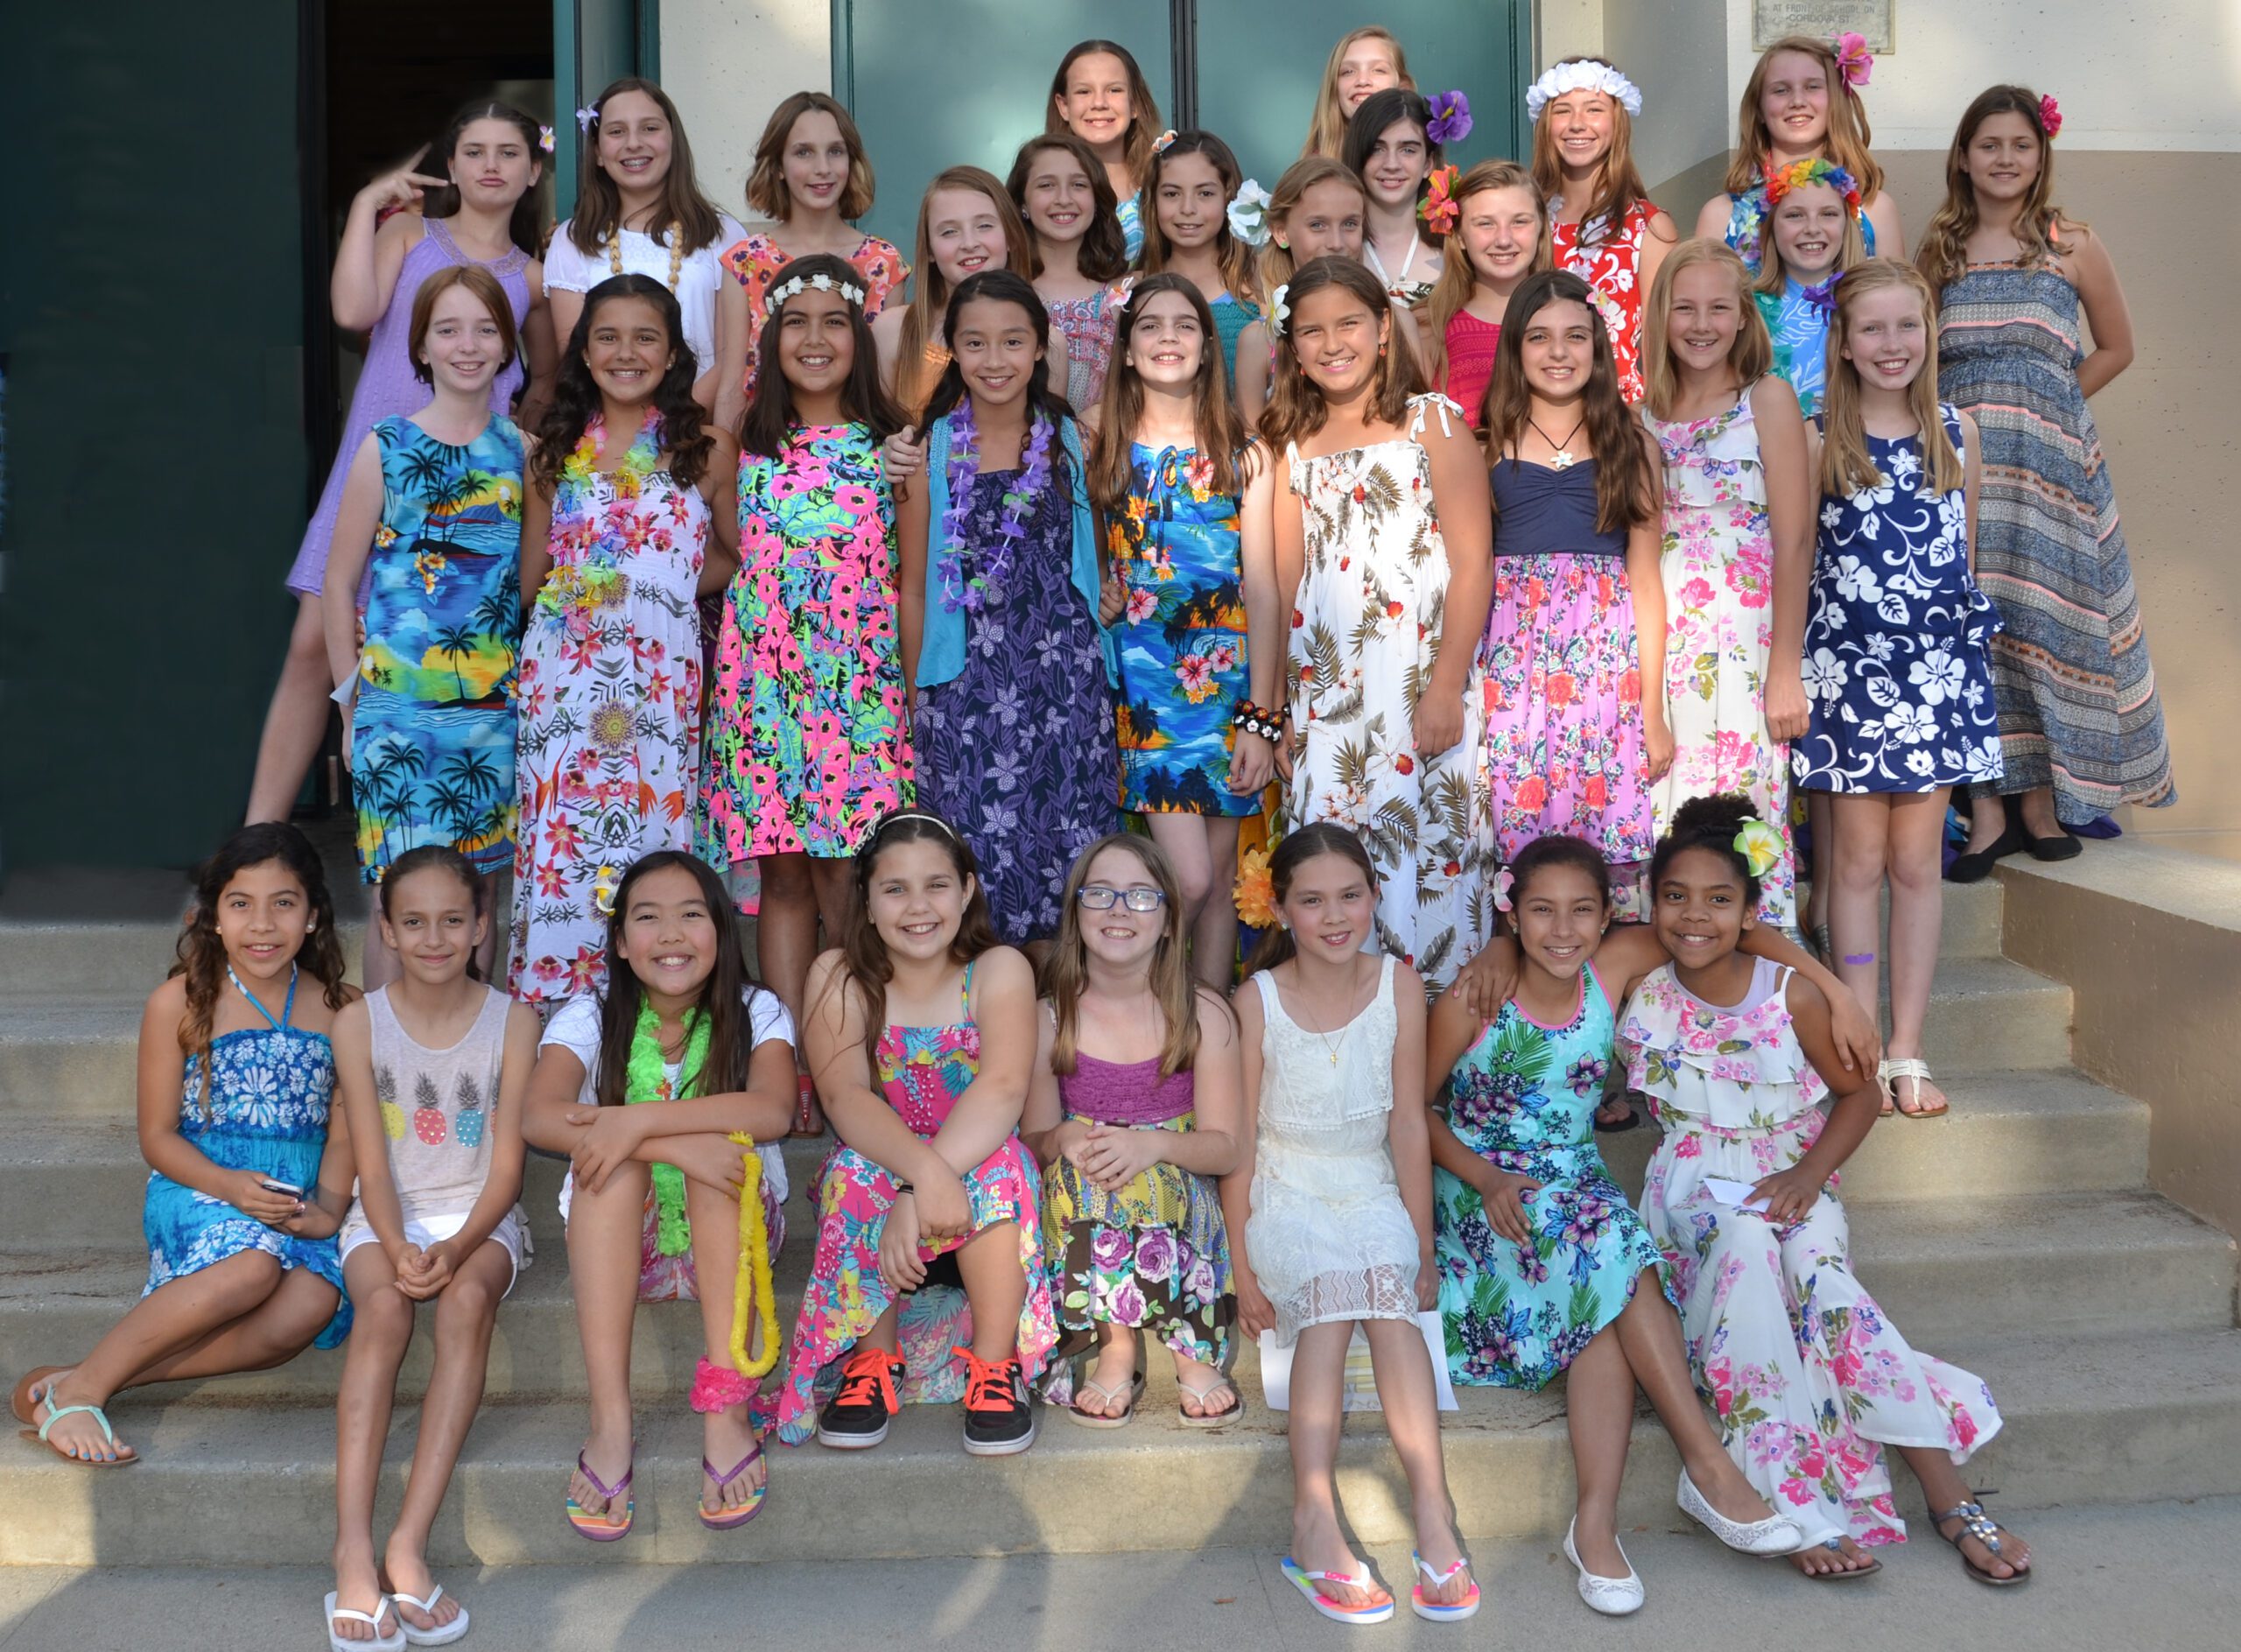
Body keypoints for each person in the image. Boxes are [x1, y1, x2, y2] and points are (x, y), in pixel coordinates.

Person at [1621, 794, 2031, 1585]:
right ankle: (1791, 1495)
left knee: (1819, 1275)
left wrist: (1809, 1173)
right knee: (1746, 1246)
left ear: (1752, 913)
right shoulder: (1644, 978)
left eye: (1719, 899)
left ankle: (1946, 1490)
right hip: (1692, 1187)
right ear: (1651, 900)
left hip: (1793, 1175)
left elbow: (1858, 1095)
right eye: (1674, 896)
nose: (1694, 915)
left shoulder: (1792, 994)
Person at [1427, 834, 1808, 1614]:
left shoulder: (1613, 964)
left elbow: (1729, 929)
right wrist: (1484, 1176)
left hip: (1575, 1179)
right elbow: (1414, 1109)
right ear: (1511, 914)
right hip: (1483, 1189)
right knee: (1615, 1251)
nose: (1562, 929)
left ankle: (1594, 1525)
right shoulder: (1473, 995)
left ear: (1609, 916)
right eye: (1540, 911)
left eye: (1581, 911)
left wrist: (1829, 984)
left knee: (1604, 1285)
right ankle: (1708, 1465)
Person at [12, 826, 355, 1472]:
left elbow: (346, 1129)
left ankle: (85, 1375)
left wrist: (330, 1211)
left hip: (300, 1200)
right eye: (241, 903)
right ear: (213, 917)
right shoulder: (179, 1002)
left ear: (313, 916)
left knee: (313, 1303)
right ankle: (84, 1392)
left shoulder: (344, 1009)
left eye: (284, 903)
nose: (262, 923)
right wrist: (229, 1186)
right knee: (252, 1267)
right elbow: (157, 1136)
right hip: (201, 1185)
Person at [248, 101, 551, 830]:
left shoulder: (536, 277)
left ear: (535, 171)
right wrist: (365, 203)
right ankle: (258, 842)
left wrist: (518, 444)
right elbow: (353, 311)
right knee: (312, 644)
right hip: (378, 471)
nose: (490, 165)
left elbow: (547, 378)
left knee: (435, 643)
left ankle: (437, 834)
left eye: (508, 152)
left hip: (465, 490)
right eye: (473, 151)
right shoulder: (410, 234)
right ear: (451, 166)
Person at [1226, 826, 1478, 1624]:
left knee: (1391, 1302)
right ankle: (1312, 1515)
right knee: (1334, 1302)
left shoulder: (1399, 984)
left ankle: (1432, 1511)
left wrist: (1422, 1242)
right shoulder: (1257, 1001)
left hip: (1369, 1183)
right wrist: (1240, 1266)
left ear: (1374, 897)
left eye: (1350, 896)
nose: (1335, 916)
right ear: (1279, 909)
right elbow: (1238, 1141)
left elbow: (1406, 1120)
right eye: (1312, 900)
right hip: (1287, 1186)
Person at [1922, 85, 2174, 871]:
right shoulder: (1939, 251)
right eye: (1989, 144)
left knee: (2042, 627)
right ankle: (1989, 810)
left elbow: (2117, 347)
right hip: (1963, 476)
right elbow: (1914, 359)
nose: (2005, 159)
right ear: (1964, 157)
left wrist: (2050, 408)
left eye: (2020, 145)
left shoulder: (2073, 244)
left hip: (2051, 474)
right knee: (1977, 629)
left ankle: (2043, 801)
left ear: (2041, 156)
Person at [697, 254, 912, 1138]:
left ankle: (848, 1059)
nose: (815, 339)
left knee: (846, 877)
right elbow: (725, 558)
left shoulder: (891, 447)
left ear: (859, 336)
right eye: (796, 322)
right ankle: (785, 1066)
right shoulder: (741, 447)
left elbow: (909, 574)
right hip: (765, 691)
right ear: (769, 339)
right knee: (783, 875)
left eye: (833, 322)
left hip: (857, 692)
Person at [521, 852, 797, 1538]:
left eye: (691, 914)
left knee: (721, 1157)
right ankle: (610, 1421)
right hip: (624, 1248)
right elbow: (539, 1116)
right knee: (611, 1169)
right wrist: (670, 1144)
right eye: (648, 917)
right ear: (619, 941)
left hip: (732, 1237)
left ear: (722, 931)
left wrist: (638, 1120)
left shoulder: (756, 1008)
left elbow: (772, 1109)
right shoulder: (590, 1013)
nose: (671, 934)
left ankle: (726, 1410)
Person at [1791, 259, 2002, 1120]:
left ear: (1929, 334)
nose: (1891, 344)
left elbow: (1965, 561)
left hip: (1934, 679)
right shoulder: (1817, 440)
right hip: (1848, 680)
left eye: (1906, 326)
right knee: (1854, 864)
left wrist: (1961, 673)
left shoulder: (1958, 433)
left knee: (1917, 865)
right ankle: (1861, 1048)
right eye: (1871, 328)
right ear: (1843, 342)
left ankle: (1908, 1049)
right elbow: (1799, 564)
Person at [778, 811, 1057, 1455]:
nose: (918, 906)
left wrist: (923, 1183)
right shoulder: (838, 975)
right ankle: (873, 1361)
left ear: (967, 890)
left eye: (936, 885)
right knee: (853, 1169)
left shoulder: (999, 968)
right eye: (895, 889)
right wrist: (917, 1175)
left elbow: (1003, 1088)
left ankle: (995, 1367)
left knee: (1003, 1163)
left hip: (976, 1170)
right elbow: (844, 1095)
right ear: (866, 900)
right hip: (887, 1164)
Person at [1263, 257, 1494, 993]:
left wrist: (1446, 686)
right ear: (1292, 346)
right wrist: (1281, 711)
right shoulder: (1291, 443)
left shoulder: (1432, 421)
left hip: (1421, 683)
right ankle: (1345, 1032)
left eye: (1350, 324)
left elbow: (1473, 564)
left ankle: (1434, 1040)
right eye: (1313, 331)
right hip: (1330, 698)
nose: (1333, 343)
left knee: (1432, 858)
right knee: (1336, 861)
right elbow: (1286, 583)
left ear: (1384, 331)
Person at [327, 847, 537, 1647]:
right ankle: (352, 1547)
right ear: (386, 929)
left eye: (453, 920)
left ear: (482, 925)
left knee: (467, 1300)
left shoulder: (514, 1021)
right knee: (383, 1311)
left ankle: (407, 1540)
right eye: (413, 922)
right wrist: (395, 1243)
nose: (435, 938)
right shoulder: (359, 1022)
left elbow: (507, 1170)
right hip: (385, 1214)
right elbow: (371, 1166)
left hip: (480, 1216)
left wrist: (459, 1246)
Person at [510, 277, 741, 1004]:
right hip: (565, 683)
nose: (626, 352)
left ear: (672, 353)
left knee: (651, 833)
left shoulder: (706, 448)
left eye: (646, 337)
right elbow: (531, 578)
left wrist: (661, 587)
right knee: (566, 839)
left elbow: (735, 555)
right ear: (584, 350)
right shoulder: (554, 453)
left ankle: (654, 1013)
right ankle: (558, 1016)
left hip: (656, 682)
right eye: (607, 336)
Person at [900, 271, 1117, 950]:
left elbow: (1094, 558)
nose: (995, 360)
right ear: (953, 351)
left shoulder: (1071, 441)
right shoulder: (928, 451)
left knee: (1066, 863)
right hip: (965, 690)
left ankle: (1060, 1010)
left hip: (1064, 687)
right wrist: (914, 698)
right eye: (976, 343)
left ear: (1041, 347)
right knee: (978, 865)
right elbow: (913, 586)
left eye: (1013, 341)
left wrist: (1109, 594)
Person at [324, 266, 525, 989]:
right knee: (396, 895)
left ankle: (472, 1050)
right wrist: (349, 708)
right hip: (395, 714)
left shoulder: (526, 453)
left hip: (492, 715)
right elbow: (338, 582)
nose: (467, 345)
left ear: (507, 345)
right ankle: (386, 1058)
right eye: (448, 329)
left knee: (479, 896)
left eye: (485, 329)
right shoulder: (384, 447)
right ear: (420, 346)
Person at [1089, 274, 1279, 986]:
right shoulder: (1101, 444)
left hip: (1229, 694)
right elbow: (1087, 557)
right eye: (1150, 325)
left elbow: (1264, 589)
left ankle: (1210, 1024)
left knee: (1220, 878)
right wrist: (1101, 588)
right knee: (1189, 879)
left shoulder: (1245, 452)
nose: (1167, 337)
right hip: (1147, 690)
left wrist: (1261, 718)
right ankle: (1144, 1011)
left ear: (1206, 347)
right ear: (1127, 348)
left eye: (1184, 325)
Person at [1023, 835, 1245, 1425]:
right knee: (1084, 1172)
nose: (1119, 909)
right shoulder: (1050, 1017)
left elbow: (1226, 1147)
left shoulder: (1204, 1014)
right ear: (1076, 913)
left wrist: (1151, 1145)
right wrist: (1062, 1137)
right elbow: (1034, 1139)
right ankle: (1116, 1345)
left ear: (1170, 920)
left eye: (1142, 896)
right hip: (1084, 1191)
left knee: (1153, 1178)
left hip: (1179, 1188)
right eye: (1100, 893)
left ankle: (1191, 1347)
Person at [1482, 269, 1667, 919]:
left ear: (1598, 347)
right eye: (1539, 337)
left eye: (1576, 336)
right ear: (1515, 347)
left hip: (1602, 668)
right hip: (1513, 665)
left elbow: (1646, 579)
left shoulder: (1632, 443)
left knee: (1601, 819)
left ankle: (1606, 963)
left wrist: (1653, 711)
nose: (1558, 352)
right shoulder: (1486, 445)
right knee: (1516, 813)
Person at [1640, 241, 1812, 938]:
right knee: (1668, 799)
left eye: (1718, 307)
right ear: (1662, 316)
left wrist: (1785, 670)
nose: (1702, 324)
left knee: (1746, 801)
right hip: (1668, 641)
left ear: (1743, 316)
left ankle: (1762, 963)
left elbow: (1795, 541)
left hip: (1747, 646)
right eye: (1685, 308)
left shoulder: (1765, 400)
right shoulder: (1642, 414)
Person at [544, 79, 744, 411]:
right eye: (616, 131)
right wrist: (628, 430)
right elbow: (576, 358)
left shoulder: (722, 234)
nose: (634, 143)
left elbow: (731, 358)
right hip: (605, 429)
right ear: (598, 151)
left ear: (673, 140)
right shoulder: (573, 239)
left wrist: (673, 425)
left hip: (699, 422)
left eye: (649, 128)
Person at [714, 90, 908, 422]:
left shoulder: (883, 263)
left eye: (835, 151)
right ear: (778, 165)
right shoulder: (745, 261)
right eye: (804, 152)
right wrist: (726, 453)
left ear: (852, 162)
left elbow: (888, 389)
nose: (823, 168)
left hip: (862, 448)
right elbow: (732, 386)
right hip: (765, 446)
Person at [1233, 158, 1426, 429]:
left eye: (1349, 224)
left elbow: (1424, 420)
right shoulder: (1259, 341)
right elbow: (1253, 445)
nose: (1336, 243)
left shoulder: (1398, 322)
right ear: (1281, 232)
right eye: (1317, 225)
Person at [1527, 58, 1676, 403]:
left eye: (1593, 109)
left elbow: (1660, 347)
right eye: (1563, 111)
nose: (1577, 124)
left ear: (1617, 122)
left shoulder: (1649, 226)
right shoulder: (1527, 221)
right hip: (1537, 408)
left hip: (1620, 410)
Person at [1695, 33, 1900, 271]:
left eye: (1812, 87)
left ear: (1836, 100)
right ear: (1759, 109)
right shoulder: (1721, 216)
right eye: (1781, 90)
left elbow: (1898, 292)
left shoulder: (1875, 209)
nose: (1798, 101)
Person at [875, 166, 1064, 418]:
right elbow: (879, 433)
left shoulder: (1050, 343)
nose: (969, 243)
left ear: (1011, 236)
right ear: (929, 249)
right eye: (949, 231)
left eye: (984, 225)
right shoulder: (892, 331)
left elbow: (1050, 434)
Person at [1421, 160, 1550, 429]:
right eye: (1485, 224)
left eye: (1519, 222)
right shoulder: (1429, 326)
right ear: (1459, 236)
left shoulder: (1574, 318)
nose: (1503, 240)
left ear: (1541, 229)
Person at [1130, 130, 1263, 389]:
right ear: (1153, 200)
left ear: (1228, 197)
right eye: (1172, 194)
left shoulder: (1260, 282)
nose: (1188, 209)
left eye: (1205, 194)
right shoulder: (1132, 290)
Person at [1011, 132, 1131, 411]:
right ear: (1022, 203)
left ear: (1097, 198)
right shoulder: (1000, 290)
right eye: (1046, 185)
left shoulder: (1124, 292)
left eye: (1078, 185)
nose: (1063, 199)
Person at [1752, 159, 1867, 418]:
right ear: (1771, 227)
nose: (1812, 229)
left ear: (1847, 224)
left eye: (1828, 214)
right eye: (1795, 215)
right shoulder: (1746, 312)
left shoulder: (1872, 305)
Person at [1046, 39, 1165, 261]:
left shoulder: (1164, 185)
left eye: (1114, 90)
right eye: (1084, 91)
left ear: (1135, 104)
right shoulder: (1041, 193)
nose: (1099, 103)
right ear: (1064, 106)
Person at [1345, 88, 1446, 308]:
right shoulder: (1335, 246)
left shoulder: (1457, 249)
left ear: (1428, 164)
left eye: (1408, 150)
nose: (1391, 164)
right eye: (1377, 149)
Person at [1299, 25, 1414, 160]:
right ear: (1333, 88)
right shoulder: (1315, 169)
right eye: (1348, 72)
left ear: (1403, 87)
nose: (1362, 81)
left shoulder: (1431, 168)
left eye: (1378, 70)